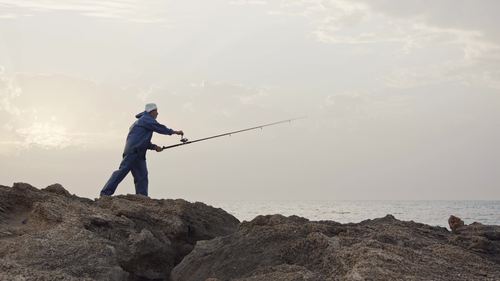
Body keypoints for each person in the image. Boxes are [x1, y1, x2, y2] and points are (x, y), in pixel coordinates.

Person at [100, 103, 183, 197]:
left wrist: (154, 147)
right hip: (134, 151)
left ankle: (142, 197)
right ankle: (105, 193)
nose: (157, 113)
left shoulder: (142, 121)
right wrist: (174, 132)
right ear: (152, 111)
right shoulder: (146, 120)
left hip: (138, 152)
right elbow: (160, 128)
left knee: (142, 176)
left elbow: (142, 141)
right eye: (156, 111)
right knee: (122, 172)